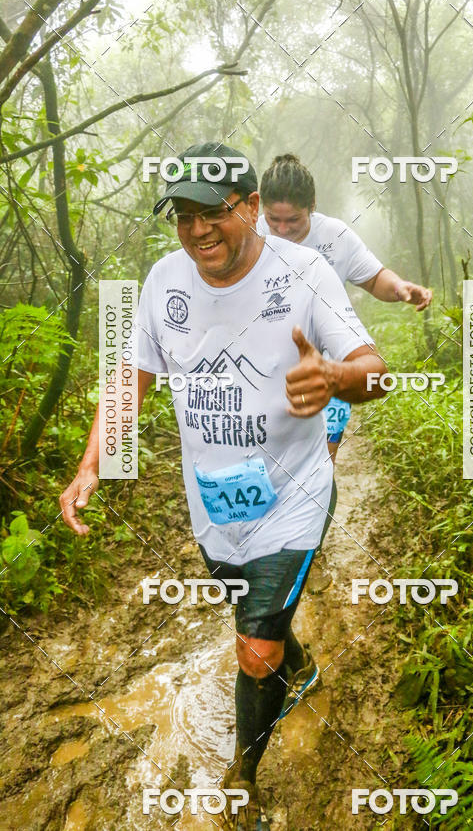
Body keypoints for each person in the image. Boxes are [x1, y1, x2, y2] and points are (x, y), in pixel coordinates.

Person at [59, 142, 387, 830]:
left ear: (252, 208)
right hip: (215, 502)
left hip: (294, 495)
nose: (199, 229)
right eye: (184, 215)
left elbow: (375, 370)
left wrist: (337, 378)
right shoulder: (162, 282)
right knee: (253, 618)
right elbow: (133, 377)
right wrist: (91, 461)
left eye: (213, 213)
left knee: (254, 647)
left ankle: (244, 769)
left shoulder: (305, 273)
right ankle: (294, 656)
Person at [258, 154, 432, 593]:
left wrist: (403, 290)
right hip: (264, 369)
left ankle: (301, 539)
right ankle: (264, 535)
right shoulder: (251, 235)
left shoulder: (335, 237)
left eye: (292, 221)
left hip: (332, 367)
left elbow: (374, 278)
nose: (281, 230)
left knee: (321, 456)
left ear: (312, 207)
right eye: (272, 219)